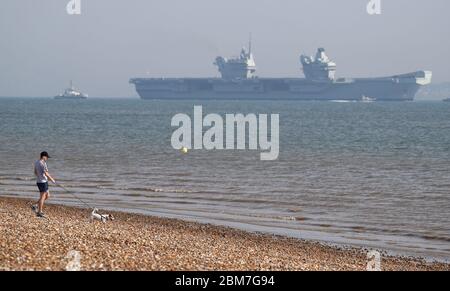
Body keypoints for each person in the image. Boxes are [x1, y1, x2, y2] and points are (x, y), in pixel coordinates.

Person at [31, 151, 56, 218]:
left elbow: (35, 172)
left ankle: (35, 205)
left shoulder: (36, 162)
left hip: (41, 181)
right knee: (42, 197)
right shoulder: (42, 163)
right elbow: (46, 173)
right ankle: (39, 212)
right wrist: (52, 179)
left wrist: (40, 177)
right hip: (42, 182)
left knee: (48, 196)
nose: (47, 158)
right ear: (43, 156)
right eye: (47, 157)